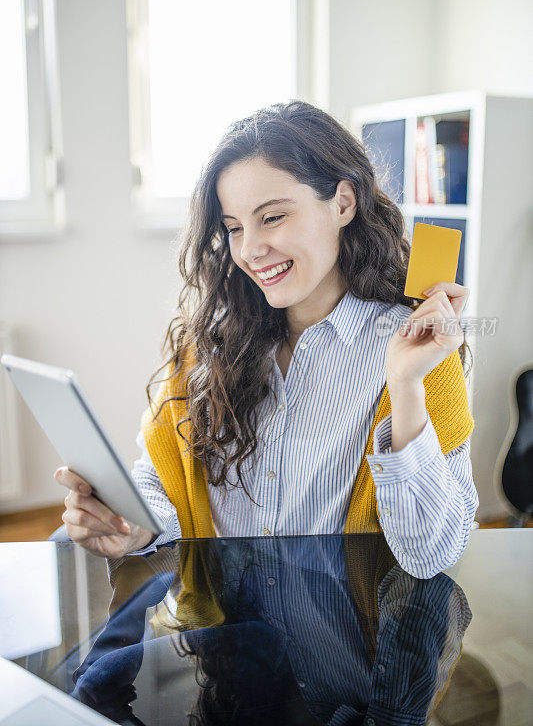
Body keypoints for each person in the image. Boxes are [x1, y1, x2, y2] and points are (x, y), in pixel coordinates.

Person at [54, 100, 478, 578]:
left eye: (272, 217)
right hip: (222, 630)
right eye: (234, 228)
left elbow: (429, 556)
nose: (250, 250)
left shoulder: (416, 356)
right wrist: (137, 525)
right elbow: (159, 476)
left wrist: (404, 387)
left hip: (344, 640)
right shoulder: (209, 345)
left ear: (343, 202)